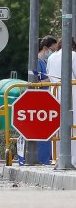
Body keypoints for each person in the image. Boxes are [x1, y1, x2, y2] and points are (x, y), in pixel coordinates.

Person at [47, 38, 76, 167]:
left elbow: (49, 73)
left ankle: (57, 157)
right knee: (72, 126)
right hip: (71, 93)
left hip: (54, 93)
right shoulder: (73, 55)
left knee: (56, 126)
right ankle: (72, 158)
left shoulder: (52, 57)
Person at [34, 36, 57, 165]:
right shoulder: (37, 62)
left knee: (47, 132)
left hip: (46, 99)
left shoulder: (44, 62)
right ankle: (42, 158)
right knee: (43, 132)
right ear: (45, 48)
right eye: (52, 50)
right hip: (40, 100)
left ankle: (46, 158)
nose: (53, 53)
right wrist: (51, 79)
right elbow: (36, 82)